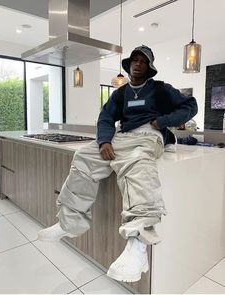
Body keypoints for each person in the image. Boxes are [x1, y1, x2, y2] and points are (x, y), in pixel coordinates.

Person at [38, 45, 198, 282]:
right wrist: (103, 141)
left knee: (137, 164)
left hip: (148, 135)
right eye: (134, 60)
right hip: (121, 135)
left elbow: (190, 105)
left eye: (143, 61)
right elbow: (105, 118)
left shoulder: (160, 89)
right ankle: (70, 223)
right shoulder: (120, 94)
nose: (137, 63)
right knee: (83, 157)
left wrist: (163, 121)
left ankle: (138, 245)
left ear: (150, 67)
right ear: (129, 64)